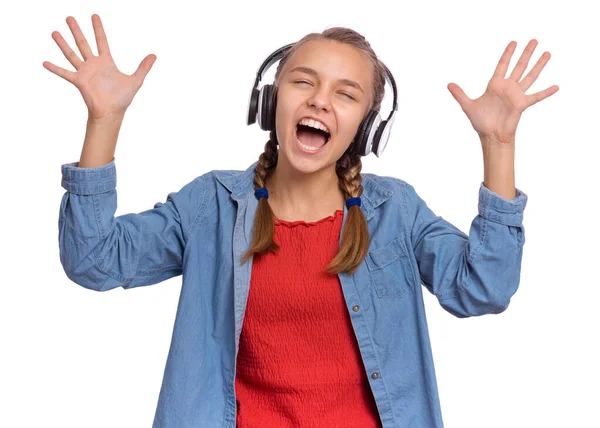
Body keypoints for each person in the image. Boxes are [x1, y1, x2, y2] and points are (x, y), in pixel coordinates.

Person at [47, 13, 558, 428]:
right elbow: (94, 260)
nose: (319, 100)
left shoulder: (394, 213)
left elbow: (484, 287)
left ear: (364, 127)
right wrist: (104, 122)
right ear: (271, 101)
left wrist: (499, 146)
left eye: (346, 93)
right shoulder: (212, 207)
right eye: (304, 81)